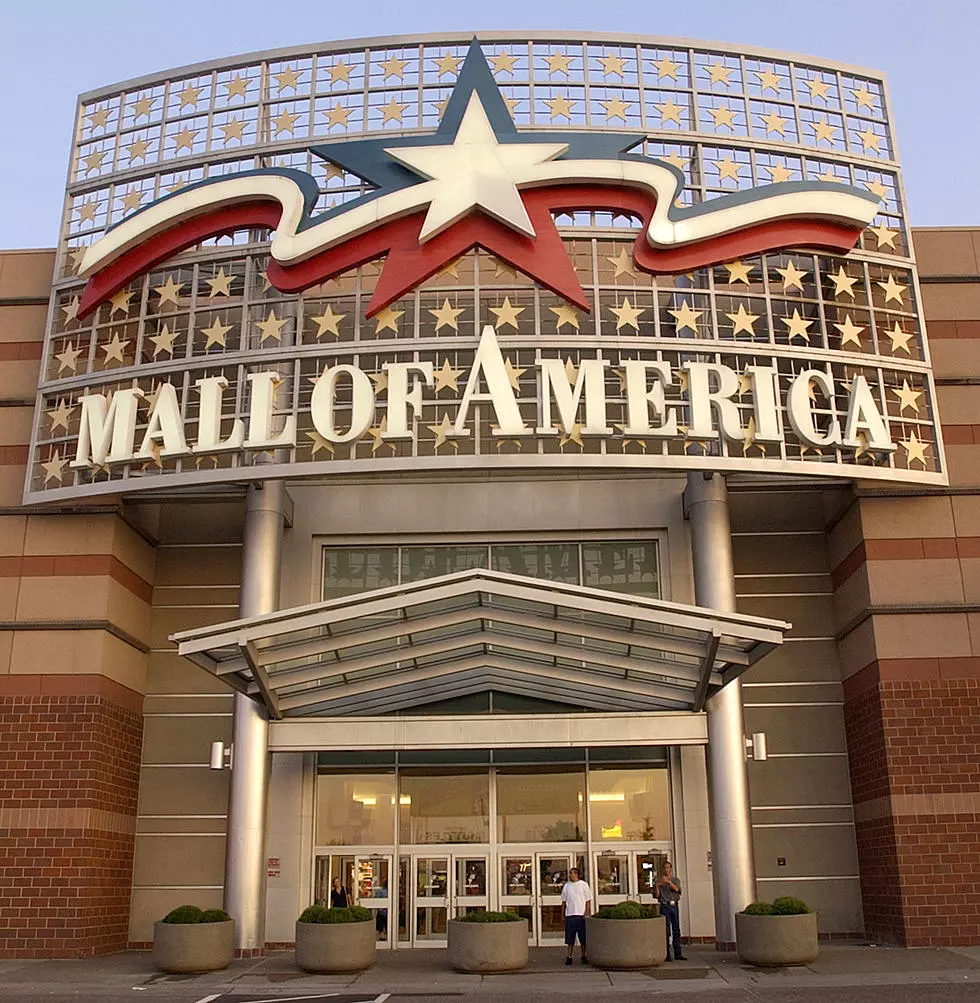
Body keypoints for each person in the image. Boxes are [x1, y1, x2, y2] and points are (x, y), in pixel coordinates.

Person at [560, 866, 592, 965]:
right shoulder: (567, 886)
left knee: (583, 938)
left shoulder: (584, 885)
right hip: (570, 914)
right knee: (570, 938)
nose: (570, 875)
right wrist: (562, 914)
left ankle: (583, 955)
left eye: (572, 873)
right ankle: (569, 957)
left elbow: (588, 900)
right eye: (570, 873)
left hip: (580, 915)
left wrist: (586, 912)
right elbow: (564, 902)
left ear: (577, 874)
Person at [656, 861, 687, 961]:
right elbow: (656, 895)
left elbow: (678, 890)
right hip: (664, 905)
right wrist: (658, 885)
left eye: (668, 868)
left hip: (674, 905)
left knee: (676, 929)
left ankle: (678, 953)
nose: (666, 870)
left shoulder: (675, 879)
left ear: (671, 869)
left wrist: (669, 882)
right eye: (665, 868)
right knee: (666, 930)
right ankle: (667, 954)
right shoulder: (658, 880)